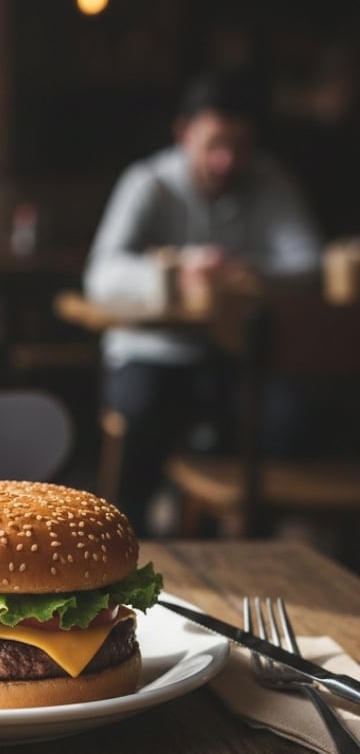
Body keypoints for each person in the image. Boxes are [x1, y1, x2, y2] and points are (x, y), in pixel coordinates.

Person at [84, 70, 324, 534]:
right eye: (214, 144)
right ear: (183, 133)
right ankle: (129, 547)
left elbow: (310, 266)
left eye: (239, 146)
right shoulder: (148, 182)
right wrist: (174, 274)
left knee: (288, 417)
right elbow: (101, 275)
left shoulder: (268, 179)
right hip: (150, 354)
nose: (226, 159)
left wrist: (246, 271)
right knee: (147, 413)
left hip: (232, 357)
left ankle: (250, 553)